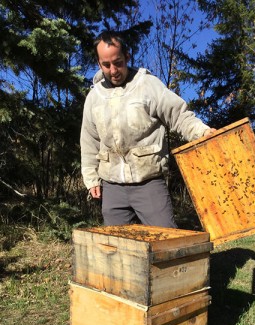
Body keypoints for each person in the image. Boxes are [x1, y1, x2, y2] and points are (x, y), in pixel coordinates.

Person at [80, 30, 216, 227]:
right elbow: (89, 141)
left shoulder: (147, 85)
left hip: (149, 183)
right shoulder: (94, 97)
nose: (113, 70)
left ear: (127, 56)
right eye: (106, 65)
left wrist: (202, 132)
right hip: (112, 187)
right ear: (99, 63)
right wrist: (91, 178)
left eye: (118, 62)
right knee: (118, 249)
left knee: (166, 245)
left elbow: (178, 115)